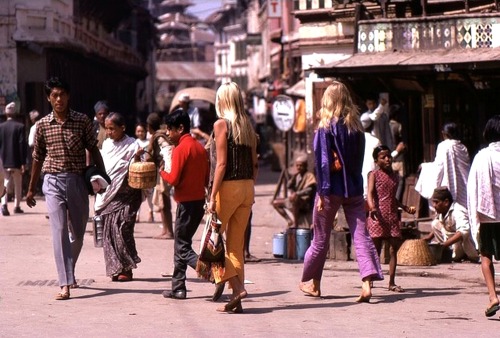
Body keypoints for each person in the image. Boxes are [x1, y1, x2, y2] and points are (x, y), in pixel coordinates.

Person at [299, 81, 383, 303]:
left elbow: (323, 162)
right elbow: (358, 160)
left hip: (330, 189)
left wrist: (323, 192)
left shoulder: (325, 128)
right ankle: (366, 284)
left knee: (320, 239)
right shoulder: (356, 127)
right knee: (361, 235)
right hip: (353, 188)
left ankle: (310, 281)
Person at [26, 77, 105, 300]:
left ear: (68, 96)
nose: (58, 99)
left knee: (78, 234)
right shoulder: (42, 125)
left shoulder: (81, 121)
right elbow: (37, 158)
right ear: (48, 98)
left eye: (62, 94)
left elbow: (94, 149)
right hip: (51, 181)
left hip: (77, 181)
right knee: (58, 230)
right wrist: (31, 189)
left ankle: (68, 269)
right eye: (54, 95)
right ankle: (65, 283)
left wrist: (102, 176)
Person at [207, 82, 258, 313]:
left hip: (228, 188)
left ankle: (236, 288)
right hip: (247, 187)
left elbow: (221, 164)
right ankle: (236, 301)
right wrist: (250, 188)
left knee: (213, 244)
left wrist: (212, 195)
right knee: (235, 247)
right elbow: (255, 164)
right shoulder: (247, 125)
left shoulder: (221, 125)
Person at [159, 108, 209, 300]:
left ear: (180, 128)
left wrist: (162, 171)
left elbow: (174, 179)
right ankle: (178, 287)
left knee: (182, 248)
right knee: (181, 244)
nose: (169, 134)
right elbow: (206, 178)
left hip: (186, 204)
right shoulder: (199, 147)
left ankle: (210, 273)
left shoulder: (181, 149)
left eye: (170, 130)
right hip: (198, 203)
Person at [94, 112, 144, 282]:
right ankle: (116, 268)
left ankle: (127, 269)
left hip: (128, 196)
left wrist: (137, 158)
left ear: (122, 128)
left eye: (112, 129)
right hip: (109, 195)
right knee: (109, 231)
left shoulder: (132, 145)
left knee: (123, 229)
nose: (108, 132)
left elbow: (140, 168)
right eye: (107, 129)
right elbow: (103, 168)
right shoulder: (106, 146)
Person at [366, 145, 416, 293]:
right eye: (383, 157)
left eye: (388, 156)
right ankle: (370, 279)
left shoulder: (394, 176)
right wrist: (372, 207)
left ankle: (392, 282)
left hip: (392, 215)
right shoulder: (373, 174)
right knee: (375, 250)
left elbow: (391, 197)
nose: (387, 159)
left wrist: (404, 207)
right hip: (377, 215)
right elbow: (369, 193)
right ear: (376, 160)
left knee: (394, 250)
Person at [467, 115, 500, 317]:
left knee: (485, 257)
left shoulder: (482, 156)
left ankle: (493, 297)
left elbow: (473, 188)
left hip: (488, 216)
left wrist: (475, 216)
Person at [416, 122, 470, 207]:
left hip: (448, 189)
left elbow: (438, 168)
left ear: (444, 133)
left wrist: (424, 166)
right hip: (464, 188)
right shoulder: (463, 147)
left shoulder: (443, 146)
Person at [424, 186, 479, 263]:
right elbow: (439, 224)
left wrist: (443, 245)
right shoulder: (441, 211)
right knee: (435, 223)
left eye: (436, 202)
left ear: (446, 202)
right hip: (451, 243)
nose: (434, 205)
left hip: (464, 245)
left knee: (462, 234)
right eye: (433, 202)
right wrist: (428, 239)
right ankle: (446, 252)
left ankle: (460, 255)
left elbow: (464, 232)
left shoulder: (458, 210)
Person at [145, 113, 174, 239]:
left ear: (149, 126)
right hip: (161, 172)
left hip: (164, 172)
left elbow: (168, 150)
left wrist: (164, 164)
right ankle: (165, 230)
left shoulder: (159, 137)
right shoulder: (160, 135)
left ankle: (169, 232)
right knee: (162, 202)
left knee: (164, 202)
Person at [272, 154, 316, 228]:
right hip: (294, 199)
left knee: (295, 199)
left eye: (301, 165)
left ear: (305, 166)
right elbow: (289, 186)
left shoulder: (309, 175)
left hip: (304, 201)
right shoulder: (297, 176)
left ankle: (296, 223)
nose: (299, 167)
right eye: (297, 165)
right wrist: (291, 180)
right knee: (275, 203)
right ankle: (289, 221)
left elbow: (309, 189)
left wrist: (297, 194)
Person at [0, 102, 27, 216]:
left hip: (3, 160)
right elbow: (22, 145)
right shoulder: (20, 127)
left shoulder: (1, 127)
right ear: (15, 113)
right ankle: (17, 206)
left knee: (5, 182)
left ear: (6, 114)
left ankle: (4, 204)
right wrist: (23, 162)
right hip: (16, 160)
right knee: (17, 184)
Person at [134, 122, 154, 223]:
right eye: (138, 131)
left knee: (149, 193)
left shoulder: (149, 142)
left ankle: (151, 211)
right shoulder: (135, 143)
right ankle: (137, 215)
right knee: (138, 194)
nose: (140, 133)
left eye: (142, 131)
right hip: (138, 171)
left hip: (148, 171)